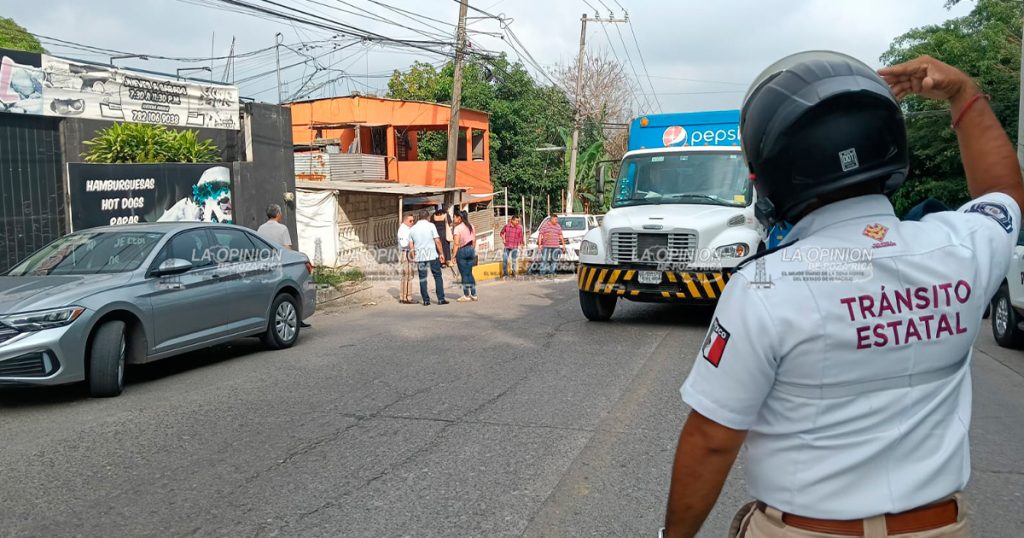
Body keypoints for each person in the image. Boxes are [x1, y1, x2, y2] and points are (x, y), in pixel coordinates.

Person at [662, 52, 1024, 538]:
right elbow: (1004, 196)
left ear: (775, 170)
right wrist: (963, 95)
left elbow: (711, 441)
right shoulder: (959, 249)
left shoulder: (765, 285)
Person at [408, 209, 448, 306]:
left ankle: (426, 300)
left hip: (420, 256)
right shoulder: (431, 226)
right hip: (432, 255)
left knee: (423, 278)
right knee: (437, 276)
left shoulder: (412, 229)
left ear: (419, 217)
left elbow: (411, 244)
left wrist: (413, 256)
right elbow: (437, 241)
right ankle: (441, 299)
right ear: (428, 217)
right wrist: (441, 253)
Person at [452, 210, 478, 302]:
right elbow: (474, 240)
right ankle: (474, 294)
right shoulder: (471, 226)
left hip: (462, 250)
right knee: (469, 272)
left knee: (464, 274)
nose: (453, 219)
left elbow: (456, 243)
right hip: (471, 249)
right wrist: (472, 250)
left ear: (459, 218)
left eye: (454, 217)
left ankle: (466, 295)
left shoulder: (457, 228)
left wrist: (453, 256)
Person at [396, 213, 415, 304]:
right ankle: (405, 297)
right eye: (410, 221)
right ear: (405, 220)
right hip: (405, 252)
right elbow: (404, 244)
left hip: (409, 252)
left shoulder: (408, 229)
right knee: (406, 276)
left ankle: (407, 296)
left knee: (409, 276)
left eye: (413, 220)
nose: (412, 222)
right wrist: (412, 244)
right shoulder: (403, 230)